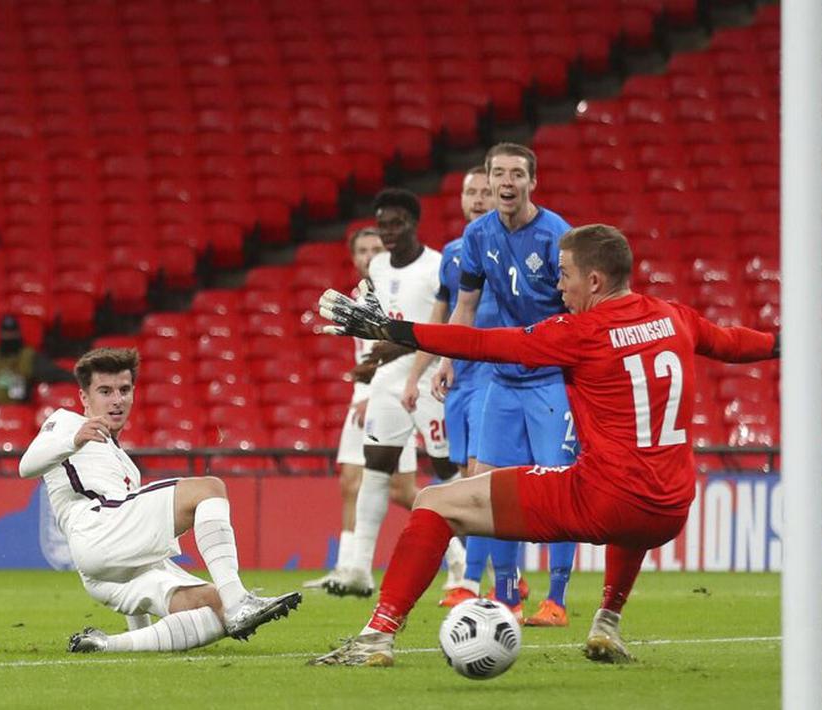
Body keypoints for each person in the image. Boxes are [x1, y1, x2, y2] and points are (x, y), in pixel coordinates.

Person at [311, 223, 783, 666]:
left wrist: (393, 330)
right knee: (635, 496)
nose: (559, 286)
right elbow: (734, 343)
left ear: (594, 280)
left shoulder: (581, 333)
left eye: (565, 274)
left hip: (604, 500)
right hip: (671, 507)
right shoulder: (674, 317)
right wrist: (787, 341)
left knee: (436, 502)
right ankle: (607, 623)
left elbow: (483, 345)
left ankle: (377, 635)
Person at [19, 347, 302, 653]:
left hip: (103, 562)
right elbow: (26, 467)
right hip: (96, 525)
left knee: (211, 606)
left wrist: (133, 627)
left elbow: (131, 565)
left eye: (124, 390)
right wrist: (72, 440)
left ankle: (108, 645)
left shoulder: (125, 464)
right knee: (209, 488)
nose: (117, 400)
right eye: (105, 391)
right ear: (85, 398)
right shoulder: (67, 423)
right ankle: (239, 602)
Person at [432, 143, 578, 625]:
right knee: (494, 489)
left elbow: (579, 310)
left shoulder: (557, 237)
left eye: (517, 173)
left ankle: (555, 601)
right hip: (502, 377)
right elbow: (466, 306)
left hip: (551, 378)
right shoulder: (478, 235)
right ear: (490, 181)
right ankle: (509, 597)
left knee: (558, 490)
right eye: (499, 173)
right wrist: (449, 359)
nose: (507, 182)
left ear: (533, 181)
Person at [322, 189, 463, 599]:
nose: (388, 232)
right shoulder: (379, 267)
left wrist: (395, 349)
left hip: (429, 378)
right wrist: (371, 366)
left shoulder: (437, 266)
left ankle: (463, 565)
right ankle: (360, 570)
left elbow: (442, 327)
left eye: (396, 224)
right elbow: (383, 324)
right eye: (383, 224)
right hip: (386, 380)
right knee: (376, 469)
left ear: (414, 223)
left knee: (445, 473)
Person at [399, 166, 522, 609]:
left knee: (482, 480)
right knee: (470, 480)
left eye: (486, 191)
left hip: (500, 373)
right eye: (470, 191)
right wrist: (420, 372)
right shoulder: (454, 253)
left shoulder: (513, 246)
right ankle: (503, 581)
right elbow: (443, 320)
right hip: (461, 379)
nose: (477, 199)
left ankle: (475, 581)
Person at [305, 227, 421, 591]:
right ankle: (349, 568)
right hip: (365, 395)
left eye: (376, 248)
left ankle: (462, 553)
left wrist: (377, 390)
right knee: (350, 481)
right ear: (353, 257)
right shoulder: (361, 294)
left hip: (391, 396)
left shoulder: (398, 291)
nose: (369, 255)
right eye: (362, 250)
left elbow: (409, 345)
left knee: (402, 490)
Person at [0, 314, 72, 407]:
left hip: (10, 410)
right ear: (0, 333)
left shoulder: (28, 357)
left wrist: (79, 377)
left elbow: (54, 373)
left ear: (18, 333)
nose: (8, 336)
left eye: (12, 332)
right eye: (5, 332)